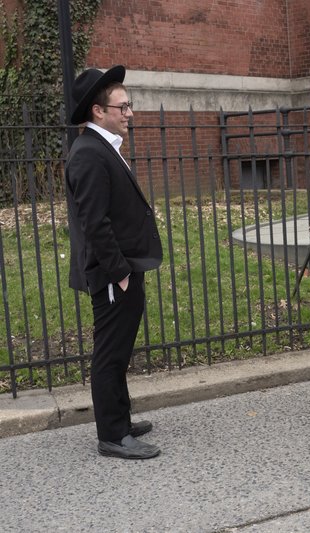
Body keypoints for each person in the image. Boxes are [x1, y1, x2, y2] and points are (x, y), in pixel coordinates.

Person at [65, 65, 163, 459]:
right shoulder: (88, 153)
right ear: (97, 111)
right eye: (122, 107)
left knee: (120, 349)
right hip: (111, 273)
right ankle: (112, 435)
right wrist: (120, 273)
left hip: (124, 267)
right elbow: (94, 223)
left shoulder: (103, 148)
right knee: (109, 353)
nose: (130, 113)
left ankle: (120, 418)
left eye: (129, 105)